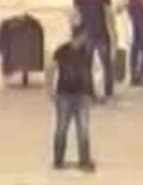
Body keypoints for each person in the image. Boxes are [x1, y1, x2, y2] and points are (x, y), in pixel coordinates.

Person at [48, 14, 97, 172]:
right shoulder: (62, 51)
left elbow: (90, 73)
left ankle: (84, 160)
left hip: (81, 94)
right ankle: (58, 159)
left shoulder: (86, 52)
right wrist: (50, 89)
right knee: (62, 128)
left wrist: (91, 93)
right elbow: (51, 68)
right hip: (65, 95)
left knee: (83, 129)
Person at [72, 0, 116, 103]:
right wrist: (113, 31)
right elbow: (108, 12)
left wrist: (74, 33)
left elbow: (76, 15)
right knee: (106, 63)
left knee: (87, 63)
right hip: (100, 31)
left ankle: (89, 92)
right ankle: (108, 91)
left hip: (85, 32)